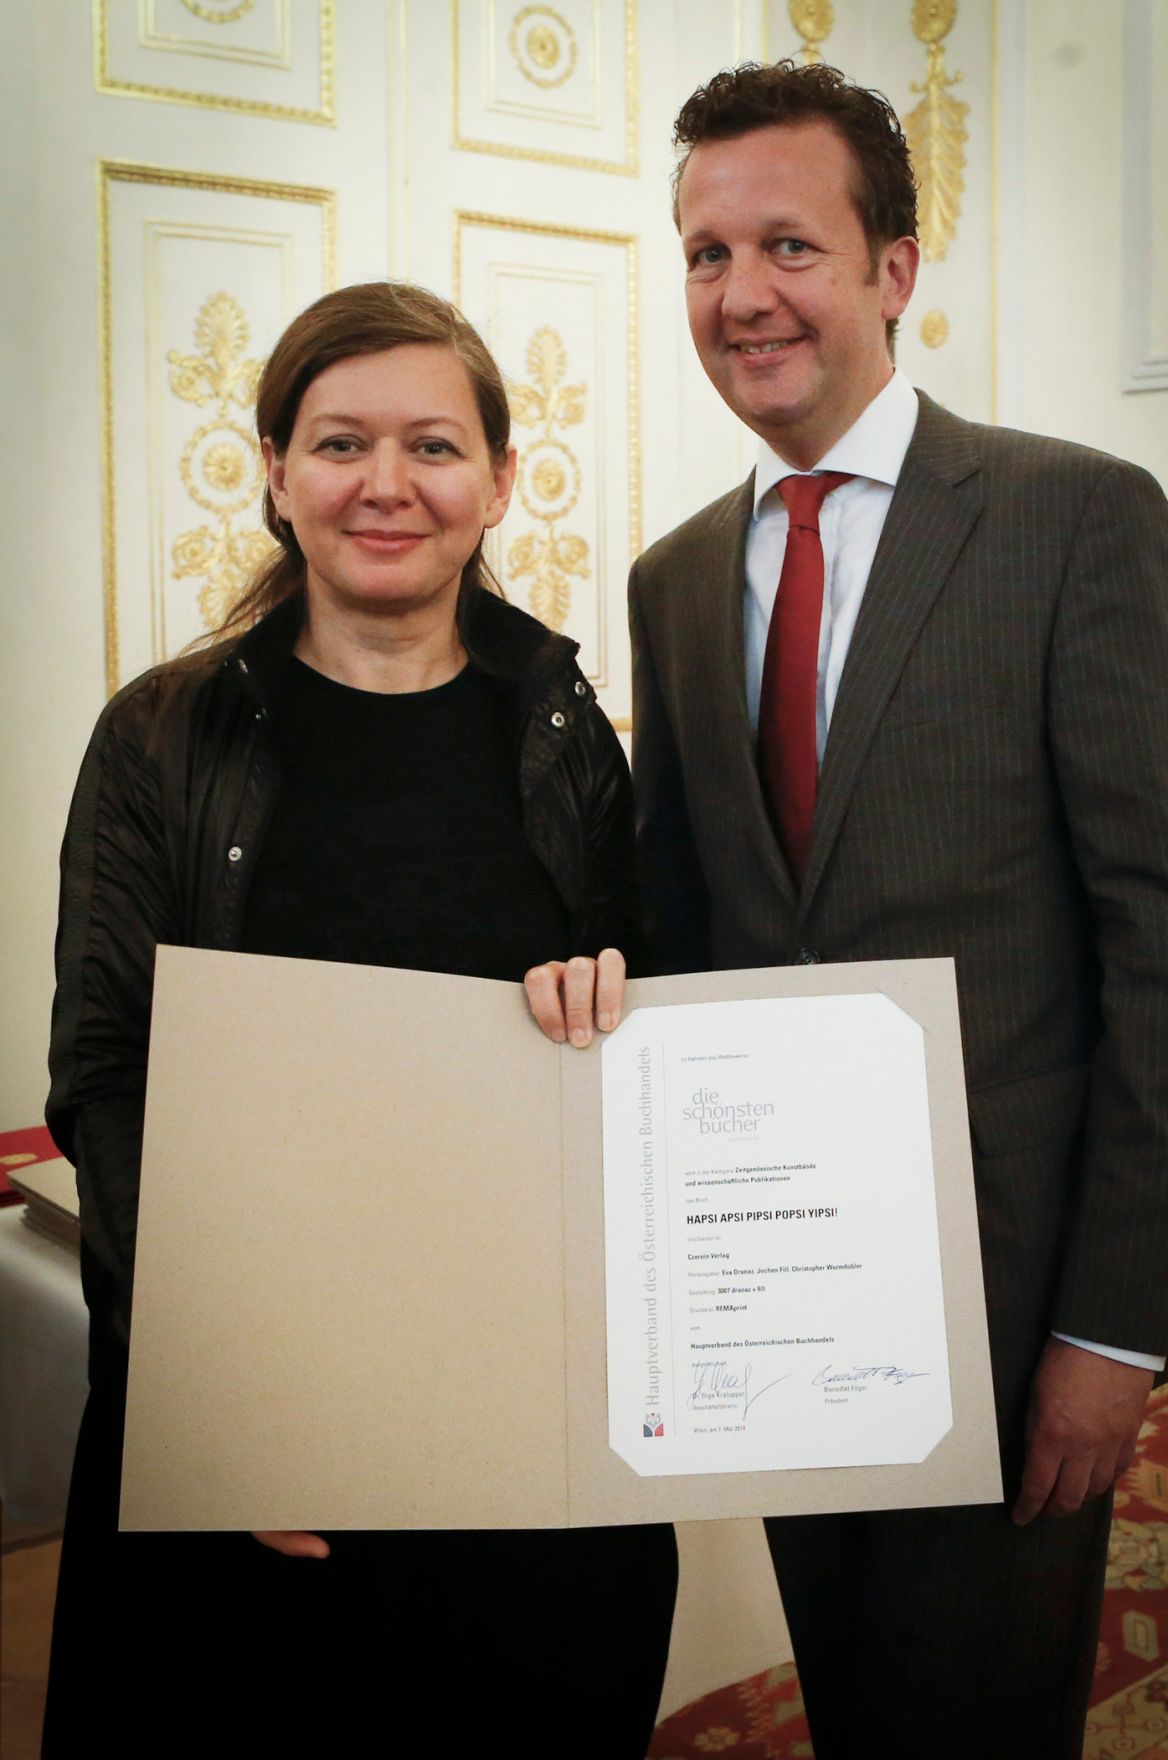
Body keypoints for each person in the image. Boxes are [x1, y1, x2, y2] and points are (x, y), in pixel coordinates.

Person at [626, 59, 1168, 1760]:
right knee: (852, 1697)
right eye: (704, 253)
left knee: (983, 1716)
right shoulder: (676, 579)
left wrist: (1113, 1327)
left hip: (1018, 1306)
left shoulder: (1073, 518)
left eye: (789, 246)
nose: (741, 294)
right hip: (780, 1307)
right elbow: (683, 930)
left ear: (894, 269)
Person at [44, 280, 676, 1758]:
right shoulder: (160, 735)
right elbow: (106, 1079)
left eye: (433, 446)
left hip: (518, 1405)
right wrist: (220, 1399)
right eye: (340, 443)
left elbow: (632, 1026)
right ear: (276, 473)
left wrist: (608, 1009)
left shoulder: (567, 728)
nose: (387, 483)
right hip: (252, 1405)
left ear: (500, 481)